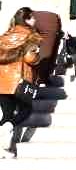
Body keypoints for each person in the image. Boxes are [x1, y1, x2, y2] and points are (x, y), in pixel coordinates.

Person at [0, 9, 45, 157]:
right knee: (26, 109)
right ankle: (10, 127)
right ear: (26, 20)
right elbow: (30, 58)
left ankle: (6, 150)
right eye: (32, 18)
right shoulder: (31, 36)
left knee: (6, 114)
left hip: (2, 81)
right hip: (18, 81)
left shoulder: (5, 36)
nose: (35, 21)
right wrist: (38, 56)